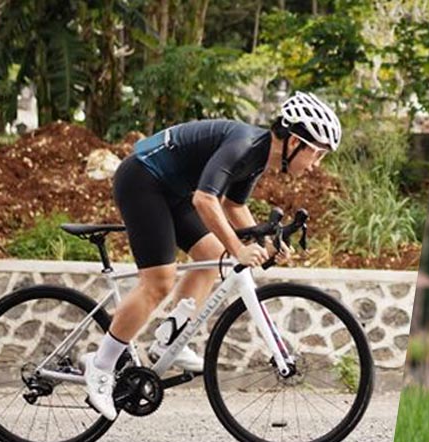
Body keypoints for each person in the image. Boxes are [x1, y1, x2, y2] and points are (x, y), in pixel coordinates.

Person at [82, 91, 343, 420]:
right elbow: (206, 201)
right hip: (142, 181)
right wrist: (239, 248)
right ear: (294, 142)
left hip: (171, 190)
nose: (316, 165)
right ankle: (100, 365)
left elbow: (234, 206)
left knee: (214, 256)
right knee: (159, 282)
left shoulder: (259, 156)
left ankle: (169, 338)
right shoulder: (245, 145)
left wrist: (266, 241)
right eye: (317, 154)